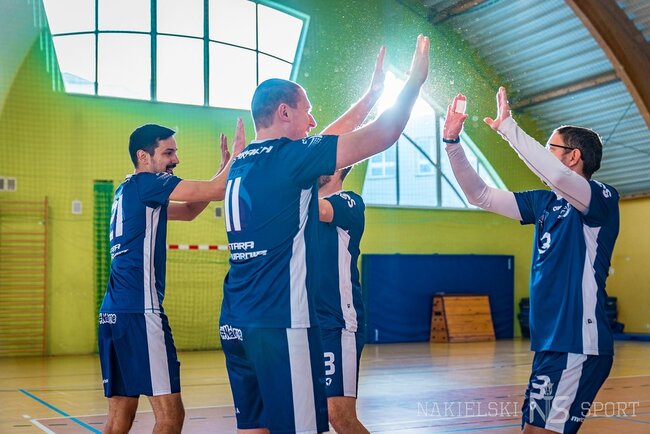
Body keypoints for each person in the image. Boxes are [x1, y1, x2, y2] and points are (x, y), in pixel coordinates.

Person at [219, 35, 429, 434]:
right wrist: (414, 81)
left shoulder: (243, 163)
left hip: (235, 320)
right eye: (308, 112)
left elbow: (322, 139)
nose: (313, 122)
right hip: (282, 320)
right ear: (284, 112)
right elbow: (384, 133)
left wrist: (370, 96)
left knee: (256, 427)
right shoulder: (292, 160)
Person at [442, 87, 619, 434]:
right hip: (549, 343)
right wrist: (452, 144)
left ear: (573, 156)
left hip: (577, 341)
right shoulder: (543, 203)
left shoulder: (601, 198)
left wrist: (508, 128)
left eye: (549, 147)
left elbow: (560, 177)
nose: (542, 154)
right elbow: (480, 195)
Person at [99, 119, 245, 434]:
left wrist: (222, 169)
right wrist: (237, 156)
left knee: (119, 416)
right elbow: (219, 190)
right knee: (170, 417)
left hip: (113, 313)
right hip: (141, 311)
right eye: (168, 153)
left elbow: (190, 211)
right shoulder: (148, 183)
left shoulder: (128, 191)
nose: (176, 159)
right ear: (143, 157)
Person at [312, 47, 386, 434]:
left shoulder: (348, 202)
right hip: (303, 322)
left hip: (337, 322)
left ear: (341, 166)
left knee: (339, 416)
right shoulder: (303, 205)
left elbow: (321, 210)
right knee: (305, 415)